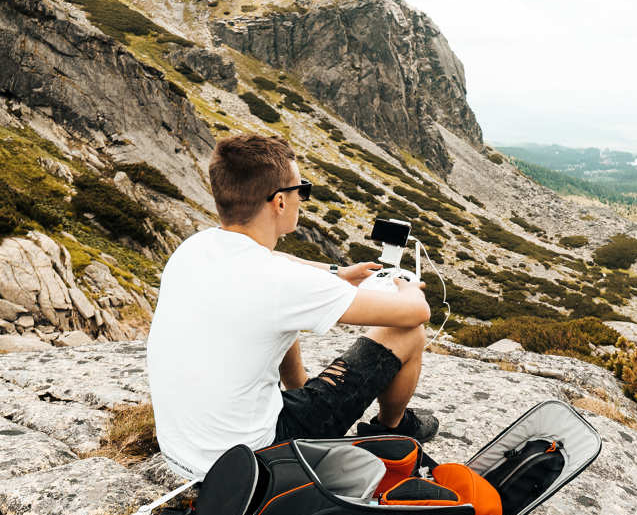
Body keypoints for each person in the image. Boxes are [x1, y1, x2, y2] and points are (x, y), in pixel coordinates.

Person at [147, 133, 437, 481]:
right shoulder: (280, 282)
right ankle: (393, 429)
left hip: (184, 455)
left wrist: (338, 273)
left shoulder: (194, 247)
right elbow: (418, 314)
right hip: (258, 460)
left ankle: (300, 389)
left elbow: (276, 261)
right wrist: (409, 289)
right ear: (280, 202)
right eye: (302, 190)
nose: (303, 198)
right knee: (407, 332)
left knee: (280, 319)